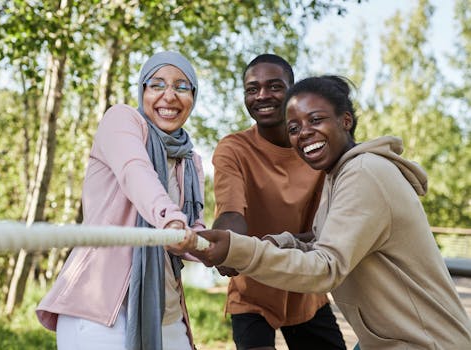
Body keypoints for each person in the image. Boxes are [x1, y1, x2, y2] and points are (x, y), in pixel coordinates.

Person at [194, 75, 471, 349]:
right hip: (388, 340)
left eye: (315, 120)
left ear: (345, 121)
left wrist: (237, 250)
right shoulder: (336, 175)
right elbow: (323, 240)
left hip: (427, 342)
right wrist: (278, 242)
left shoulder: (363, 173)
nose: (303, 132)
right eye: (293, 127)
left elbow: (326, 268)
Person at [36, 51, 205, 350]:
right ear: (142, 91)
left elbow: (193, 234)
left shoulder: (191, 161)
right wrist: (171, 219)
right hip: (97, 311)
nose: (169, 96)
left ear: (193, 96)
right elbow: (135, 172)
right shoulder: (122, 120)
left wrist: (226, 250)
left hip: (166, 312)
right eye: (157, 85)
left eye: (181, 87)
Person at [212, 54, 345, 350]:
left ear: (292, 91)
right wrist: (227, 244)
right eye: (252, 89)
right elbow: (231, 209)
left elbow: (328, 229)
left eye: (274, 86)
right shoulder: (234, 148)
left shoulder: (316, 147)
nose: (262, 95)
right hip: (251, 291)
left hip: (305, 286)